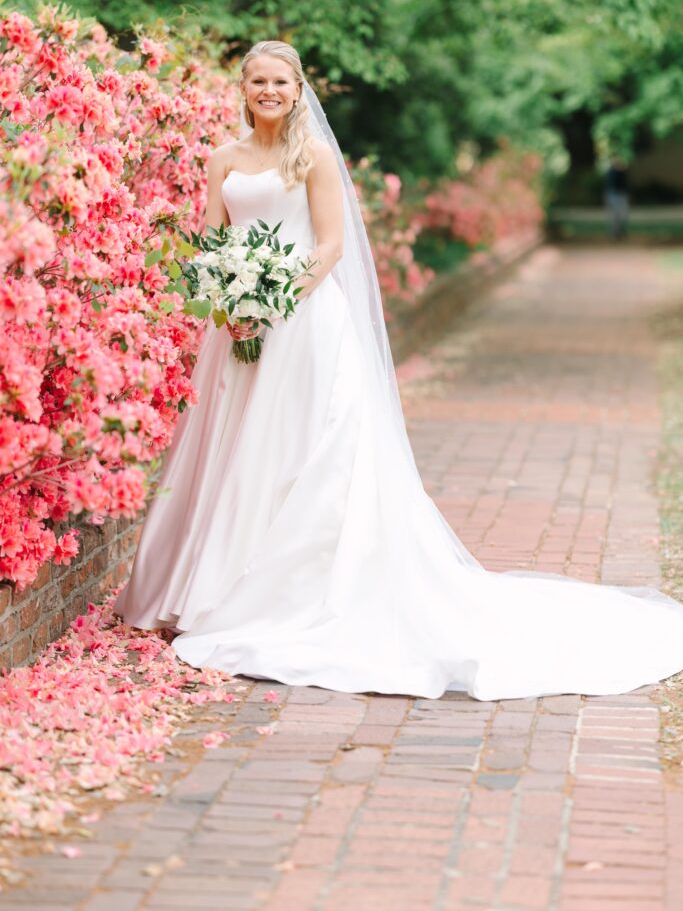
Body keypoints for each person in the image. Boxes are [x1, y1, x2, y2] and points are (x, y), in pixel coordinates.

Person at [115, 40, 683, 701]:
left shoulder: (314, 157)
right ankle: (206, 586)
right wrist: (227, 297)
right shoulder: (223, 160)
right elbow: (211, 242)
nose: (268, 91)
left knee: (303, 449)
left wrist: (274, 297)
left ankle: (281, 591)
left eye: (280, 82)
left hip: (302, 323)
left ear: (297, 90)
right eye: (257, 81)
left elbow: (328, 245)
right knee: (235, 446)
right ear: (242, 89)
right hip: (237, 328)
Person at [604, 156, 630, 240]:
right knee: (614, 215)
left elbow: (626, 185)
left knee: (623, 214)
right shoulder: (611, 172)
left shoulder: (622, 172)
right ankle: (615, 233)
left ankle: (621, 232)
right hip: (614, 195)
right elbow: (609, 185)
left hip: (622, 195)